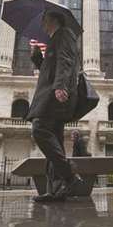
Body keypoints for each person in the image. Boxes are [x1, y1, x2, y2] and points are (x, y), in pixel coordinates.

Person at [27, 11, 82, 203]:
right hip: (52, 92)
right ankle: (57, 189)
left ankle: (69, 176)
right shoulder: (54, 39)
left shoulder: (64, 34)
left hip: (55, 94)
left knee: (40, 129)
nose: (42, 23)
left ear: (54, 20)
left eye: (44, 19)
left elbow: (66, 61)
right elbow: (48, 68)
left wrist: (60, 86)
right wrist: (36, 56)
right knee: (55, 140)